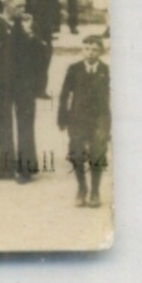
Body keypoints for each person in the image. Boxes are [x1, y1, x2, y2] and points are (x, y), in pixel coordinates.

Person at [0, 0, 50, 184]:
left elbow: (42, 52)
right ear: (6, 5)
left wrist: (30, 33)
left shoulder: (28, 25)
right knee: (2, 123)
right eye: (19, 6)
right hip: (1, 83)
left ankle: (26, 170)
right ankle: (5, 168)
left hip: (24, 82)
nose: (23, 10)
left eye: (24, 5)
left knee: (25, 123)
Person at [58, 34, 111, 207]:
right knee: (76, 152)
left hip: (99, 118)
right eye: (87, 49)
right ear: (82, 50)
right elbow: (65, 94)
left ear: (101, 52)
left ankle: (95, 191)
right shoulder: (74, 69)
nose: (90, 53)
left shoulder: (106, 71)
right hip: (78, 118)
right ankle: (82, 188)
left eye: (94, 50)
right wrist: (62, 117)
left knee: (98, 152)